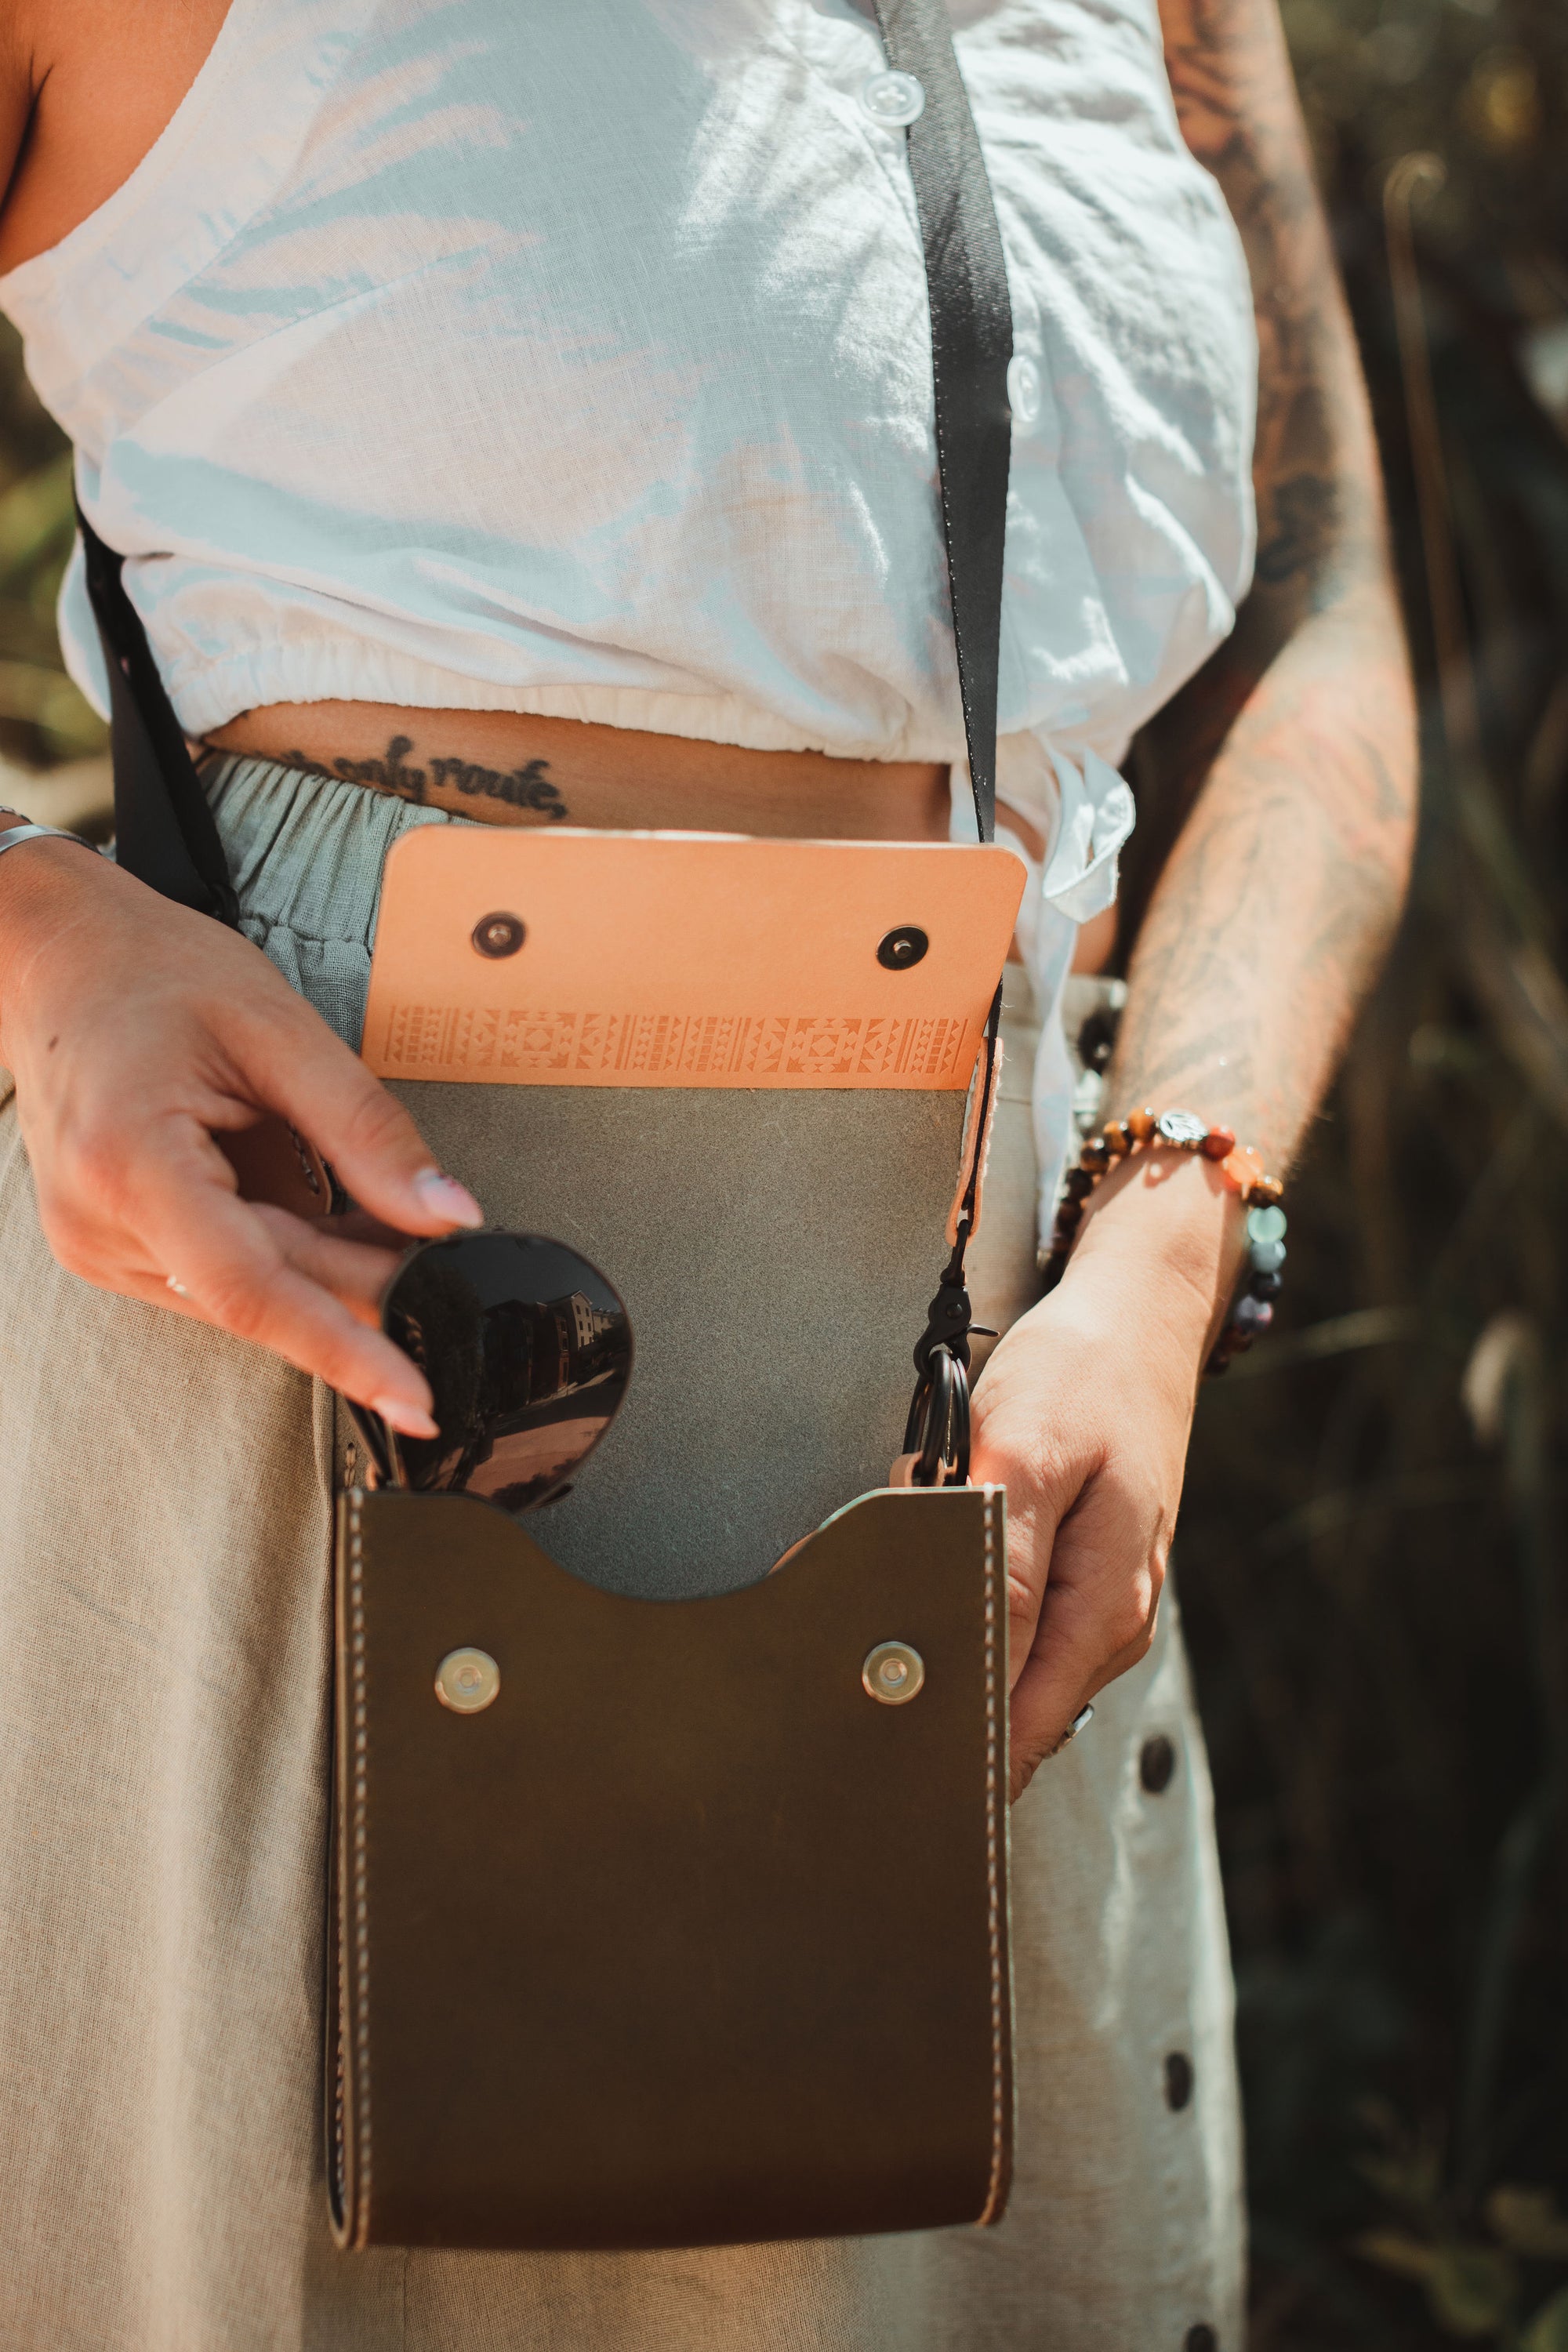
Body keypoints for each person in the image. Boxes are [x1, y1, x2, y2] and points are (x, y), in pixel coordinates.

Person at [0, 2, 1415, 2346]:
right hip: (295, 1431)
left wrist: (1171, 1227)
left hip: (983, 1468)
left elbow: (1317, 612)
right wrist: (37, 944)